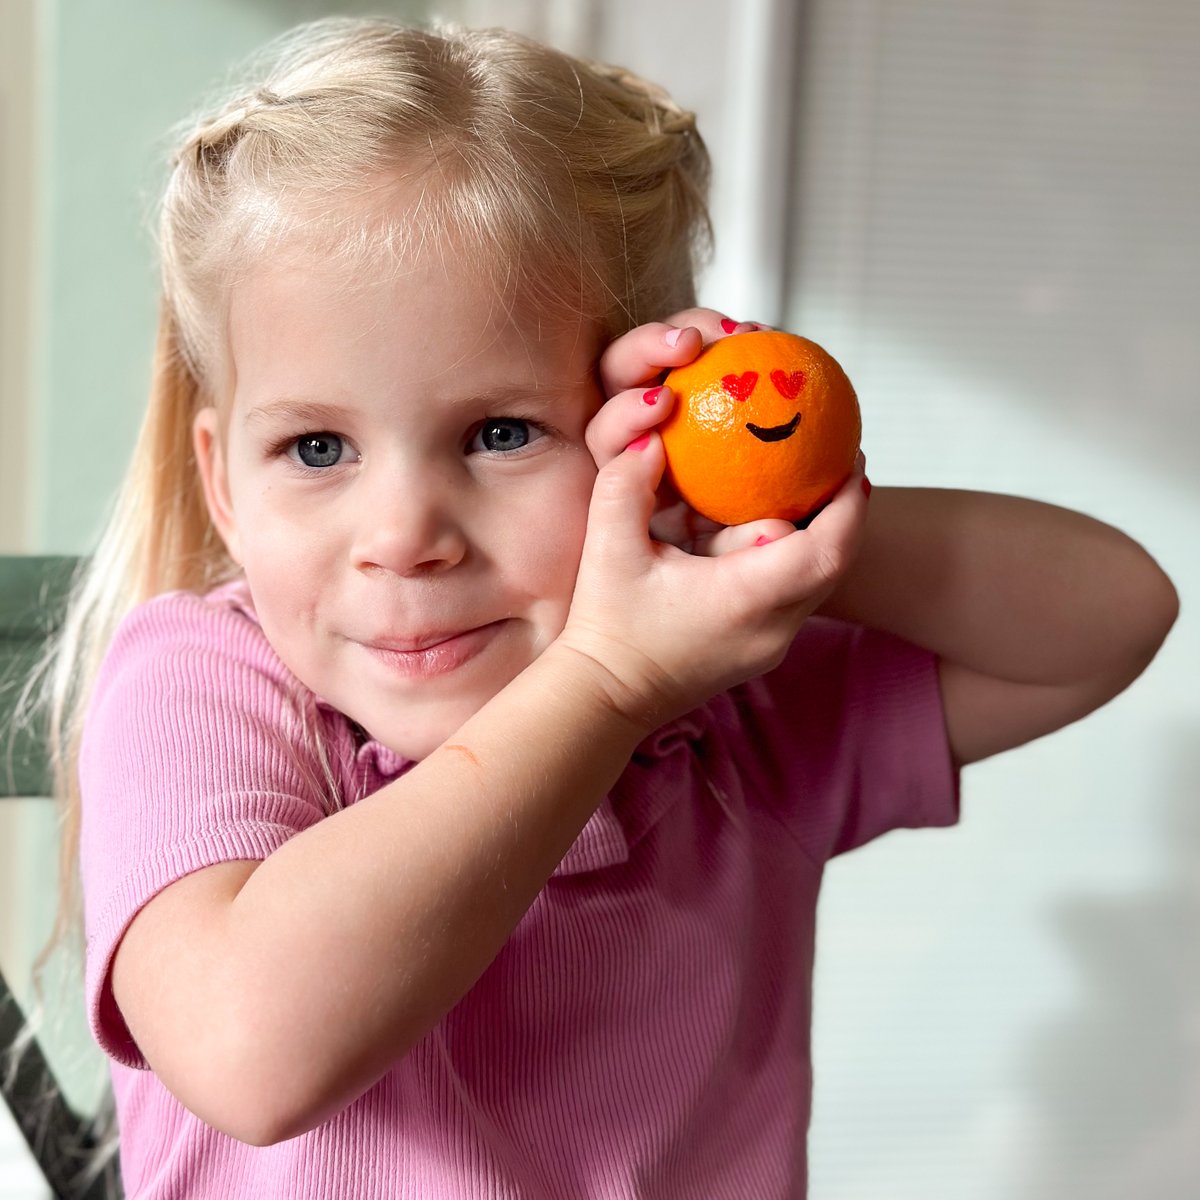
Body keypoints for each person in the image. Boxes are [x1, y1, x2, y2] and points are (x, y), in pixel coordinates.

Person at [46, 16, 1177, 1200]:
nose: (403, 538)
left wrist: (772, 522)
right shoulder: (201, 685)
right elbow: (252, 1054)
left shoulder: (717, 712)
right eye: (318, 447)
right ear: (224, 479)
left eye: (499, 433)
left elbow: (1112, 613)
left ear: (652, 434)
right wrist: (600, 685)